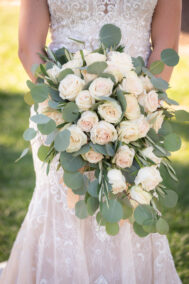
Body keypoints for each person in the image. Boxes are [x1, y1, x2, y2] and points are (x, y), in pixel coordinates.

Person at [0, 0, 182, 283]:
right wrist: (66, 112)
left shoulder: (138, 115)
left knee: (129, 206)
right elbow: (28, 47)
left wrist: (137, 113)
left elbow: (166, 45)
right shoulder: (60, 113)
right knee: (63, 210)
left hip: (138, 114)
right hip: (58, 112)